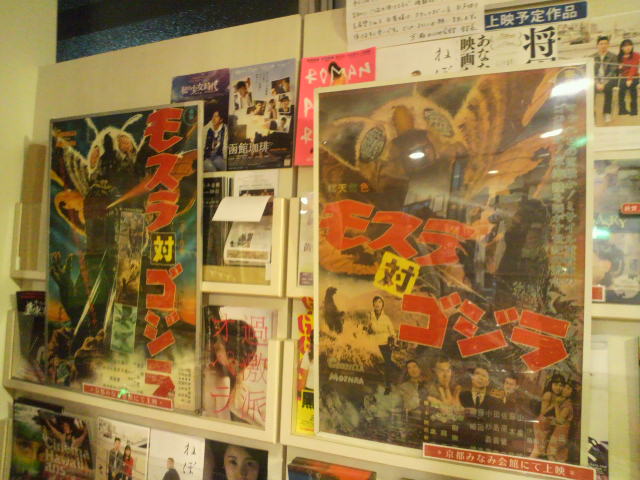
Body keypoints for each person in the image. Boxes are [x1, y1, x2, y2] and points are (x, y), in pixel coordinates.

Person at [202, 318, 262, 427]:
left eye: (218, 348)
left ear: (233, 360)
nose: (213, 347)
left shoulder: (237, 397)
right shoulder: (229, 377)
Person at [459, 365, 501, 449]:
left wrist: (478, 413)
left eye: (484, 376)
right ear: (472, 378)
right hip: (462, 441)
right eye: (477, 374)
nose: (480, 378)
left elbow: (497, 423)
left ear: (488, 382)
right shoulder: (461, 396)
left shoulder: (495, 401)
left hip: (486, 444)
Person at [366, 296, 396, 394]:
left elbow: (392, 331)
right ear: (373, 304)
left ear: (382, 305)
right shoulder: (370, 316)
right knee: (372, 362)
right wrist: (367, 330)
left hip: (386, 343)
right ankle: (374, 382)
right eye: (376, 302)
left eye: (380, 302)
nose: (377, 304)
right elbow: (368, 330)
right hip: (374, 343)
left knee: (387, 364)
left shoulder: (386, 318)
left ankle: (388, 386)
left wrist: (392, 339)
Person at [531, 373, 565, 458]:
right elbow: (543, 412)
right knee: (538, 450)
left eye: (561, 385)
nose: (558, 387)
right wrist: (554, 404)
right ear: (551, 384)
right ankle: (529, 462)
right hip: (541, 424)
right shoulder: (548, 394)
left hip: (547, 424)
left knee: (542, 450)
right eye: (556, 384)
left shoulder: (557, 396)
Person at [396, 360, 428, 445]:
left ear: (420, 368)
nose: (412, 370)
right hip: (412, 424)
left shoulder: (429, 385)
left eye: (414, 366)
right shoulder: (403, 387)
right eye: (409, 368)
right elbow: (399, 409)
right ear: (407, 371)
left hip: (428, 424)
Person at [546, 381, 576, 462]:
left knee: (551, 453)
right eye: (564, 387)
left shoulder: (567, 405)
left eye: (568, 388)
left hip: (561, 432)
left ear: (572, 392)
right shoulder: (566, 402)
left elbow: (560, 420)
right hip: (561, 431)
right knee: (558, 455)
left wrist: (556, 404)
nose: (564, 390)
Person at [592, 36, 619, 122]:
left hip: (609, 79)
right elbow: (592, 72)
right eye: (601, 44)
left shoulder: (613, 56)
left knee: (608, 88)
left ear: (608, 45)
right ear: (597, 45)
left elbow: (612, 72)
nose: (603, 46)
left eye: (605, 43)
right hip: (596, 80)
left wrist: (603, 83)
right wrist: (597, 83)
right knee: (590, 88)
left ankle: (607, 113)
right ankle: (592, 112)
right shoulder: (592, 57)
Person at [618, 39, 640, 116]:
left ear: (632, 46)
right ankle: (622, 110)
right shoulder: (619, 57)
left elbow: (634, 68)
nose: (628, 47)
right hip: (624, 77)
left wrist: (629, 79)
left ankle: (634, 111)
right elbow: (619, 71)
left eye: (630, 45)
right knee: (621, 89)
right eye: (625, 46)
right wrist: (619, 68)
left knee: (633, 88)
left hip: (634, 76)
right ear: (622, 48)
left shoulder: (636, 55)